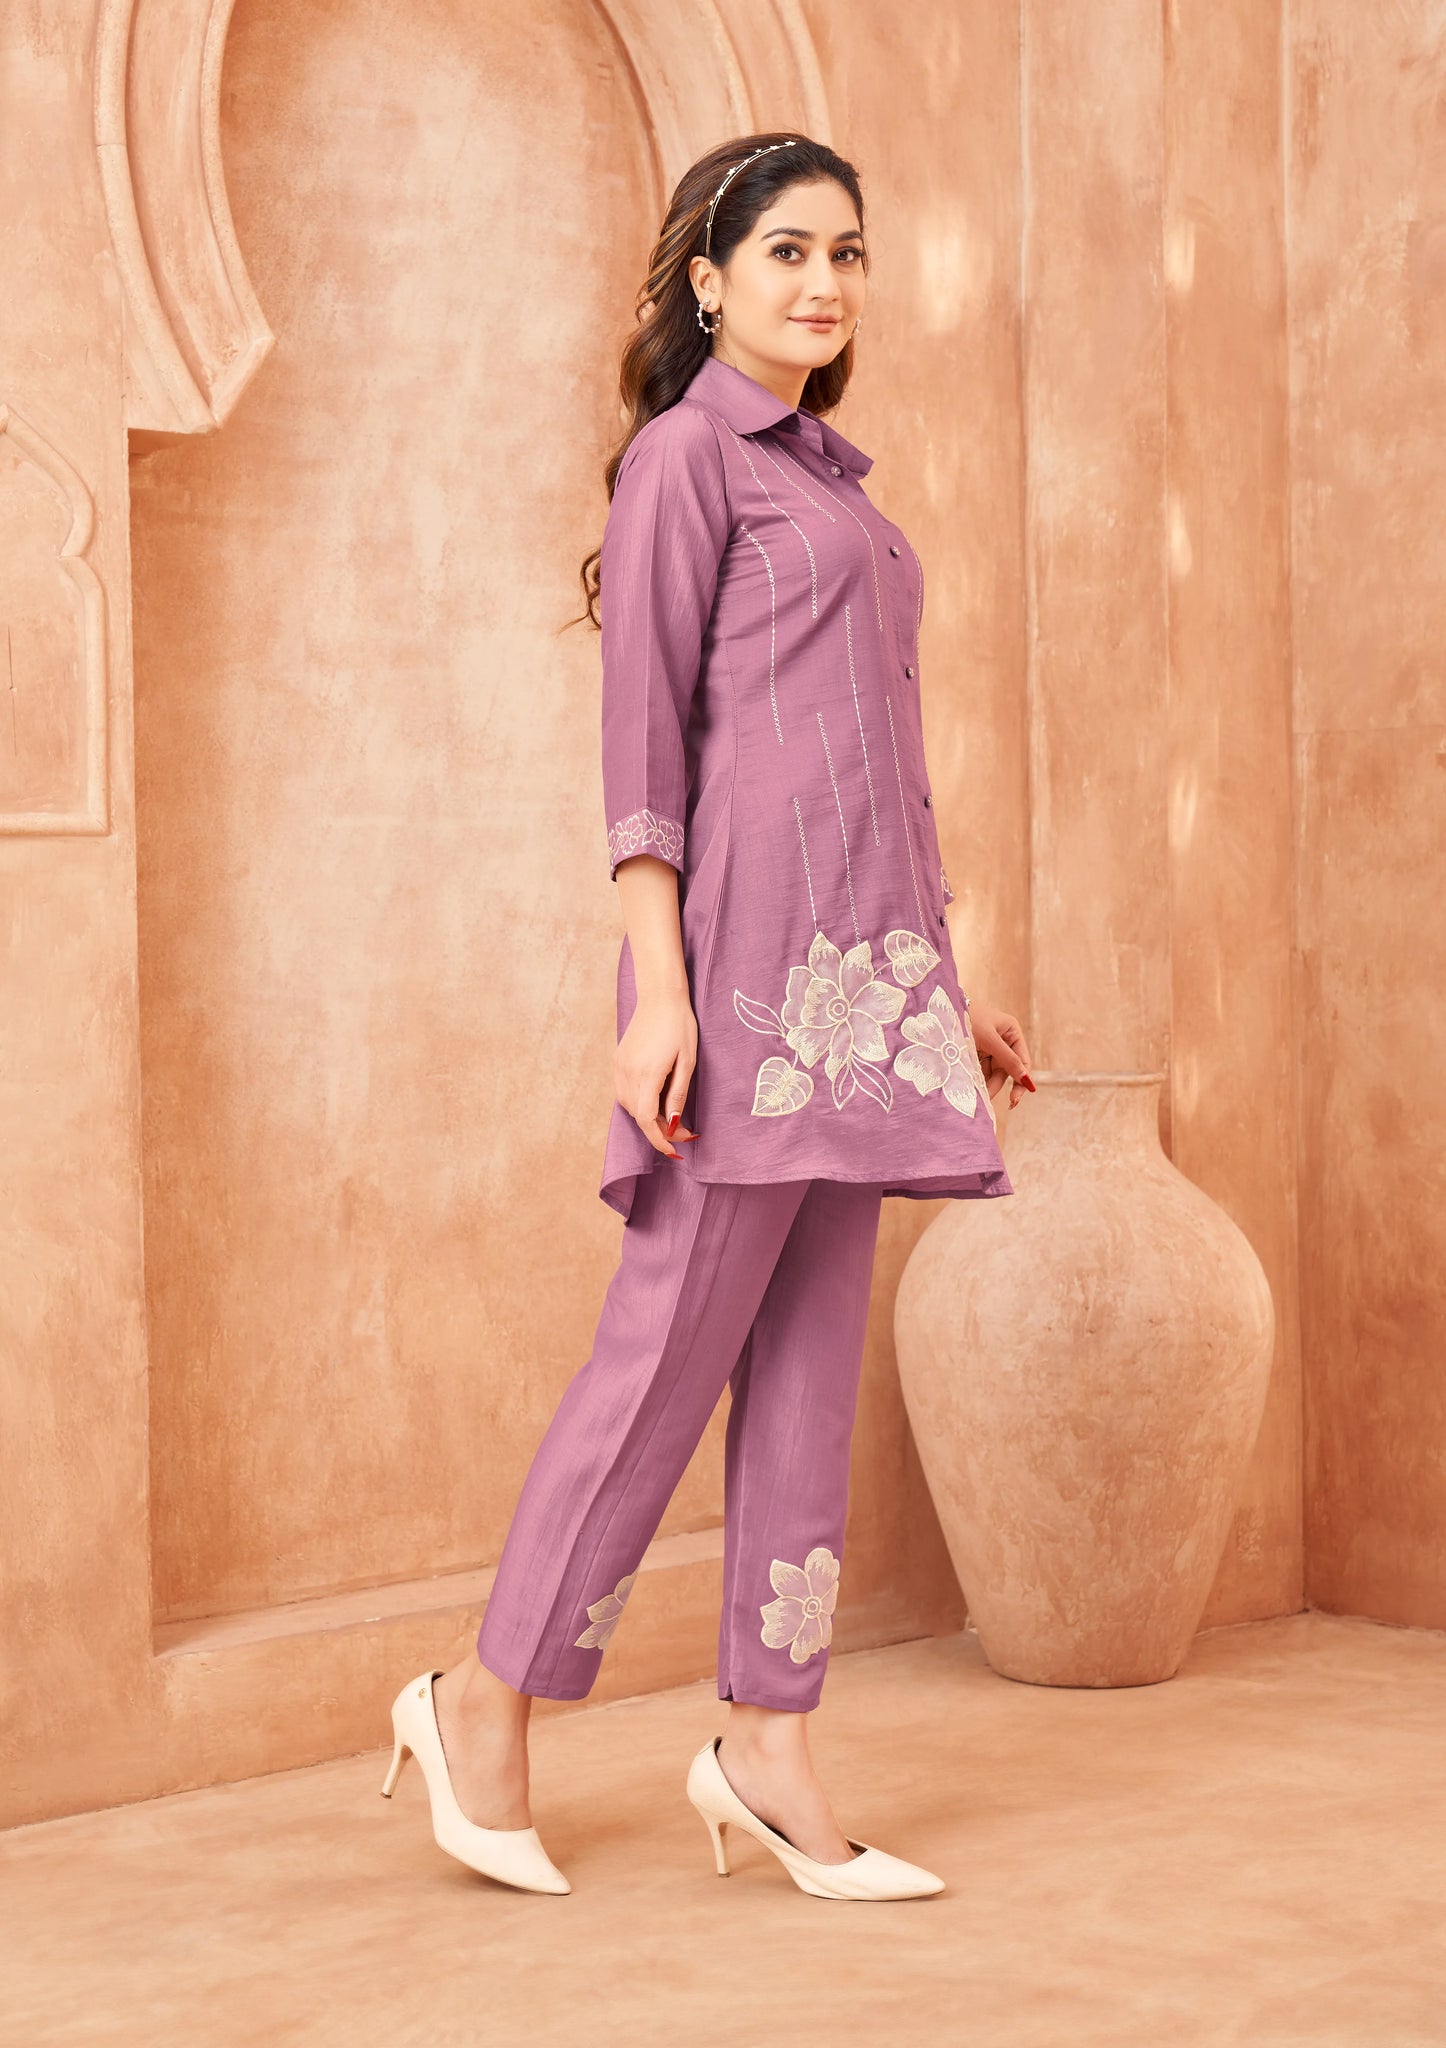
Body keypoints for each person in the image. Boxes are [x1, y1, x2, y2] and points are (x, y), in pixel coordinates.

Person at [380, 131, 1033, 1902]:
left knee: (807, 1375)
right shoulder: (685, 461)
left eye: (846, 252)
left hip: (863, 1001)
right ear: (709, 279)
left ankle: (769, 1745)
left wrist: (940, 994)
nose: (823, 282)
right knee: (663, 1355)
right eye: (787, 251)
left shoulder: (833, 484)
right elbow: (644, 756)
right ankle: (480, 1697)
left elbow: (863, 767)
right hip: (738, 987)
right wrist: (657, 993)